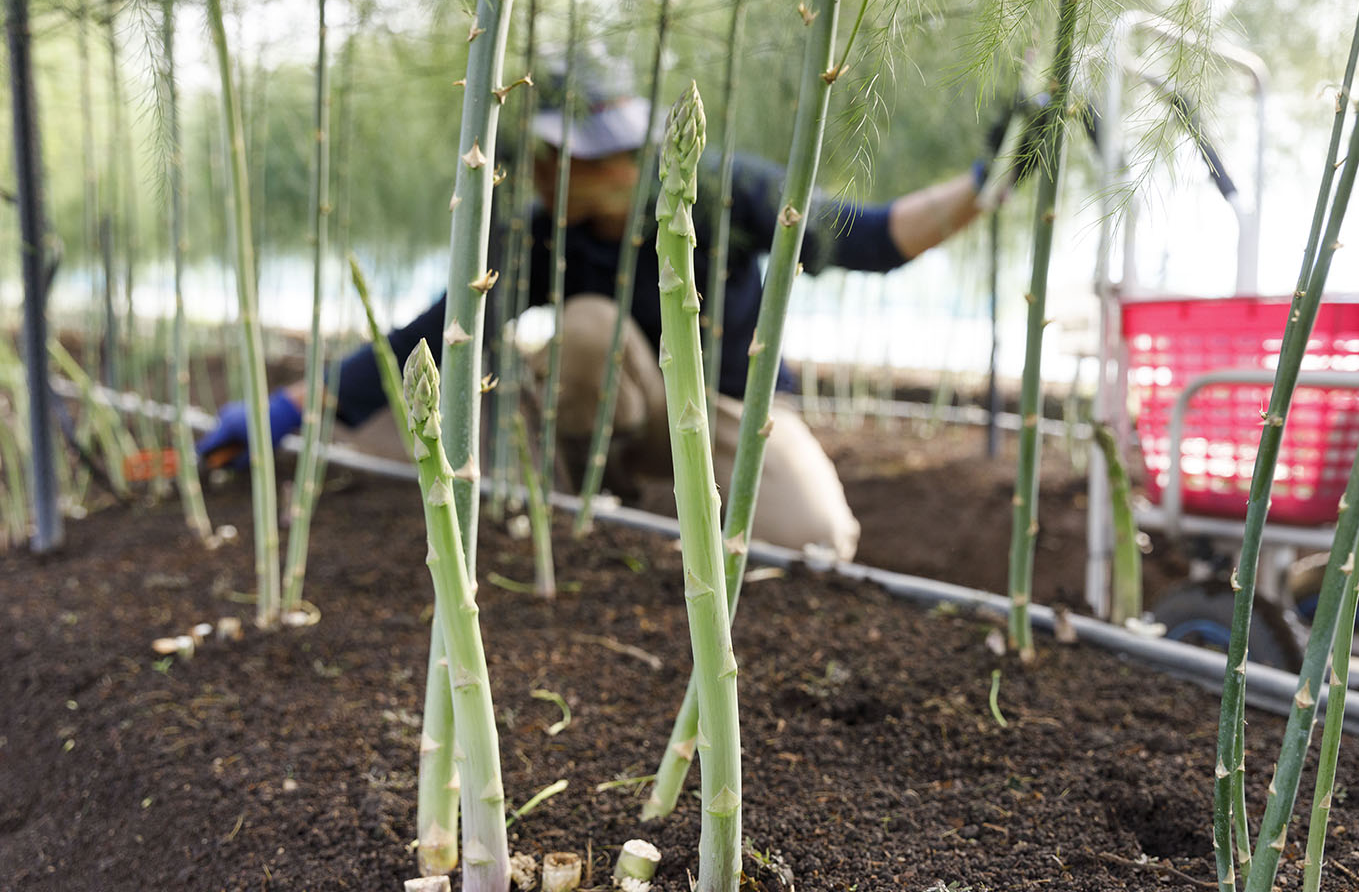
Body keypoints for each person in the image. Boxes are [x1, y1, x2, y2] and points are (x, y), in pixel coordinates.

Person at [199, 52, 1011, 561]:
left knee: (820, 545)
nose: (618, 170)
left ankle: (676, 500)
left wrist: (986, 181)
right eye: (591, 159)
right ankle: (592, 507)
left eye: (625, 153)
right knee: (585, 328)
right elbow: (431, 338)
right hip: (591, 422)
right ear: (549, 166)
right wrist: (284, 408)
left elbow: (869, 239)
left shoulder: (722, 188)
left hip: (724, 407)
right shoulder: (536, 234)